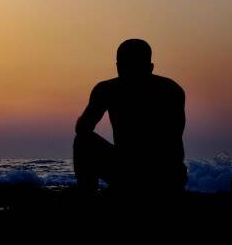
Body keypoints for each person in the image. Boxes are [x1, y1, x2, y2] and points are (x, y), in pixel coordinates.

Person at [74, 39, 188, 193]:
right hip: (169, 176)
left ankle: (87, 193)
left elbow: (82, 129)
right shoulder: (171, 89)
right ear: (150, 67)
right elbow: (174, 140)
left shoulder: (107, 90)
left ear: (118, 67)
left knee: (83, 141)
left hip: (131, 174)